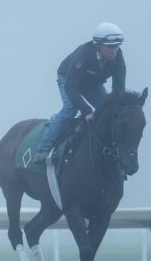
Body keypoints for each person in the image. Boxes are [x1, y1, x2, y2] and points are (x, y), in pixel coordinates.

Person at [34, 22, 126, 163]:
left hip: (92, 83)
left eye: (116, 46)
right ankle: (43, 149)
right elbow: (70, 86)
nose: (114, 51)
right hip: (69, 80)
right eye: (110, 47)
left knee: (110, 109)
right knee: (70, 109)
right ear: (98, 45)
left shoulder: (118, 57)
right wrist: (87, 111)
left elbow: (118, 90)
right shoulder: (84, 53)